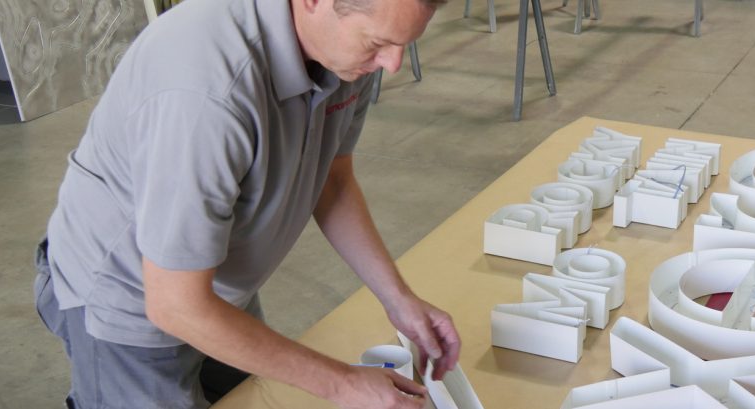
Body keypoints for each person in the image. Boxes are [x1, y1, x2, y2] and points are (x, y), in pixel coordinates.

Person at [31, 0, 458, 407]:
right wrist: (342, 384)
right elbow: (176, 305)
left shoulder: (347, 53)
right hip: (131, 301)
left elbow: (332, 178)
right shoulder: (205, 92)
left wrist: (398, 298)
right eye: (378, 43)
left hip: (215, 285)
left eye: (405, 43)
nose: (392, 63)